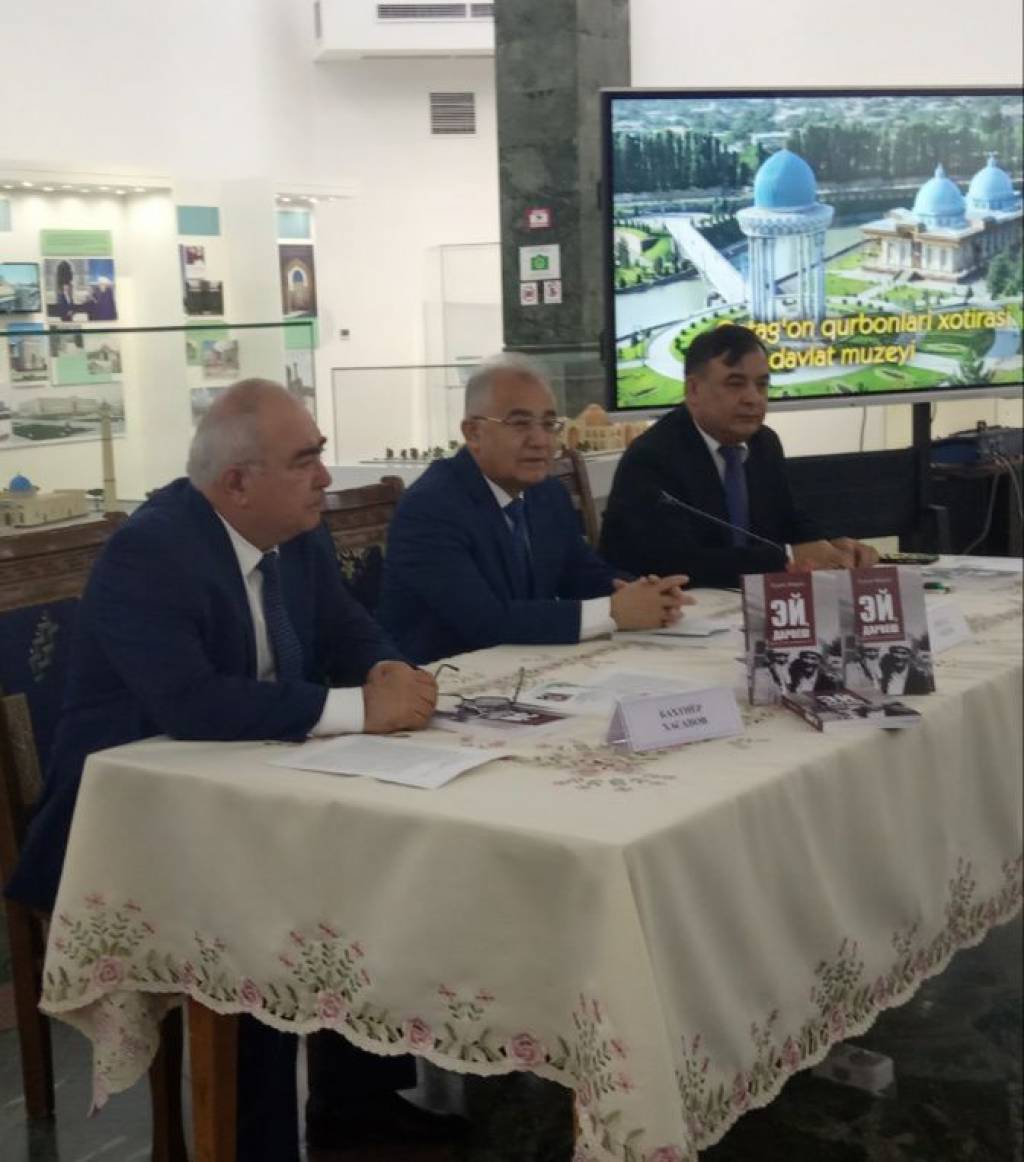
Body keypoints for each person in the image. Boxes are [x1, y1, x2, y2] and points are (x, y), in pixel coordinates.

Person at [5, 379, 442, 1162]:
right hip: (129, 824)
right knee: (264, 921)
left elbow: (350, 628)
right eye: (305, 460)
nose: (324, 477)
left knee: (377, 869)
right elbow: (191, 702)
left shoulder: (294, 535)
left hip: (254, 784)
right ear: (237, 482)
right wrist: (357, 709)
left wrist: (387, 671)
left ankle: (357, 1109)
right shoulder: (152, 550)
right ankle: (253, 1145)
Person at [378, 353, 692, 664]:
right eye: (520, 423)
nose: (541, 440)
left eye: (549, 424)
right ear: (473, 433)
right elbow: (486, 621)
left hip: (526, 664)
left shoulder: (547, 493)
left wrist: (644, 593)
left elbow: (581, 574)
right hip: (445, 677)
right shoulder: (431, 507)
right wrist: (612, 612)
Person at [600, 324, 880, 589]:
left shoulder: (764, 443)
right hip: (672, 611)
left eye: (761, 385)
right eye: (735, 384)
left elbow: (788, 519)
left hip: (747, 604)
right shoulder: (652, 458)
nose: (753, 398)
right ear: (693, 390)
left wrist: (833, 546)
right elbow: (677, 563)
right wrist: (787, 556)